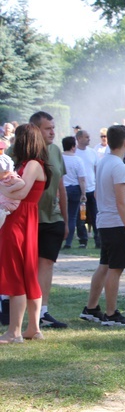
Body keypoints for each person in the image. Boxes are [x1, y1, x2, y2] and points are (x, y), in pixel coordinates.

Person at [79, 125, 125, 326]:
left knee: (104, 266)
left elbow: (99, 194)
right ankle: (111, 314)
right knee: (115, 269)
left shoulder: (104, 161)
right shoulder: (119, 166)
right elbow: (121, 202)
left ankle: (91, 308)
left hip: (105, 221)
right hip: (117, 224)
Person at [0, 124, 51, 342]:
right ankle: (33, 329)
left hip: (19, 221)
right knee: (28, 274)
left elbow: (21, 192)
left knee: (15, 274)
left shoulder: (31, 164)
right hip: (27, 220)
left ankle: (14, 331)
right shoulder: (35, 164)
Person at [29, 112, 69, 329]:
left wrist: (65, 219)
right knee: (25, 264)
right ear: (35, 129)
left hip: (51, 217)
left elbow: (61, 186)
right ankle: (10, 304)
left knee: (46, 263)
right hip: (26, 217)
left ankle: (43, 312)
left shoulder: (55, 150)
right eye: (47, 128)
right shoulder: (18, 151)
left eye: (53, 127)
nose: (53, 132)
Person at [61, 136, 87, 250]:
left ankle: (59, 239)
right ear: (72, 147)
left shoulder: (60, 158)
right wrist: (84, 193)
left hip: (62, 188)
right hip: (74, 189)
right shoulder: (77, 160)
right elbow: (81, 179)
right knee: (72, 217)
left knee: (61, 215)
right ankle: (68, 241)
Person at [75, 130, 99, 248]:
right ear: (79, 138)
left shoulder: (92, 153)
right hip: (79, 189)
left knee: (96, 215)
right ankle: (83, 240)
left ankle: (98, 240)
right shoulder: (74, 153)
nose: (89, 139)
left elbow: (96, 169)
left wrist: (97, 186)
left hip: (92, 188)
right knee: (80, 217)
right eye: (86, 137)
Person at [0, 153, 23, 228]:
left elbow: (21, 183)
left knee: (1, 210)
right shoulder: (2, 178)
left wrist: (10, 189)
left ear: (6, 172)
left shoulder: (11, 178)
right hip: (3, 200)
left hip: (10, 203)